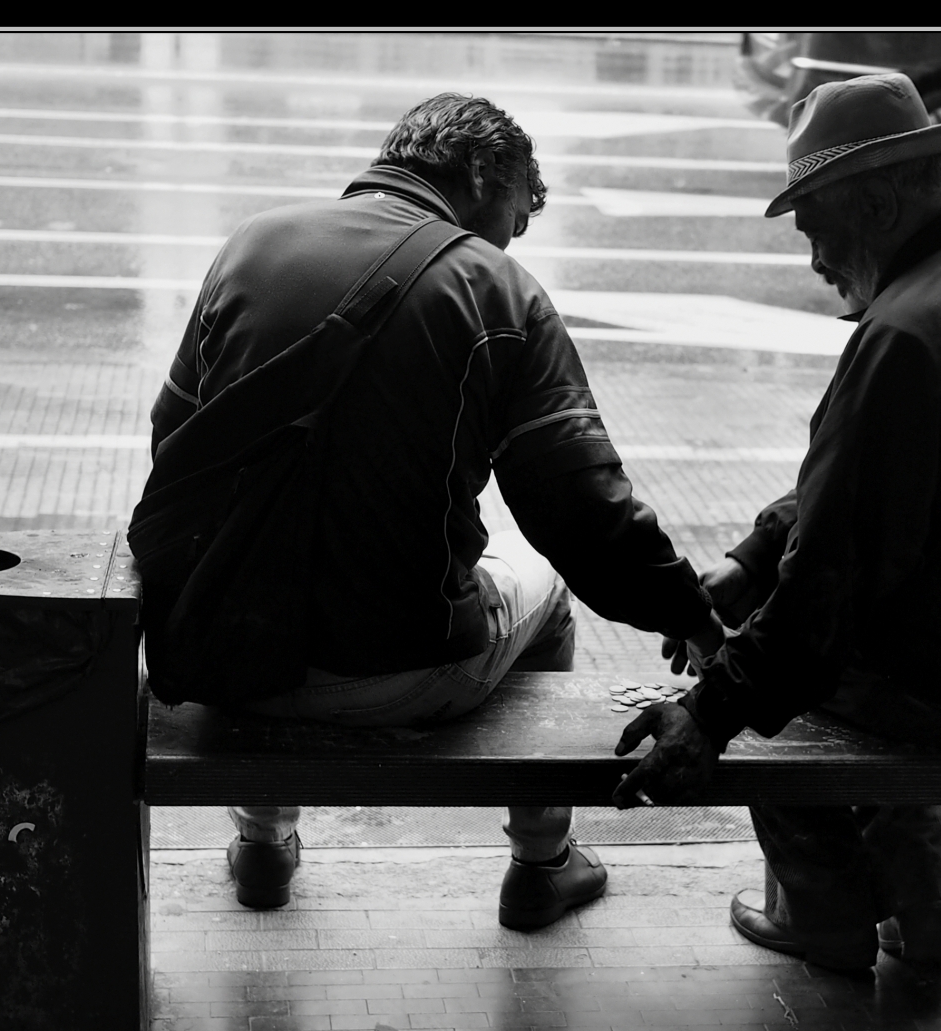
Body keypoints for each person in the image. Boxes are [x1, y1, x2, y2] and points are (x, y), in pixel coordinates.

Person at [145, 93, 723, 925]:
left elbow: (174, 438)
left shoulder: (252, 243)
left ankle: (264, 843)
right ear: (483, 172)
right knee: (549, 595)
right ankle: (542, 860)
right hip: (397, 673)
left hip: (221, 654)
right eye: (515, 217)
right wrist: (696, 620)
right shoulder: (499, 293)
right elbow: (584, 515)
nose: (510, 241)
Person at [612, 73, 941, 971]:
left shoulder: (908, 333)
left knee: (774, 671)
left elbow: (831, 583)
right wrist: (756, 551)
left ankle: (823, 914)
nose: (812, 259)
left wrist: (708, 710)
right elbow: (874, 490)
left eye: (815, 227)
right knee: (800, 618)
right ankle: (920, 909)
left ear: (880, 200)